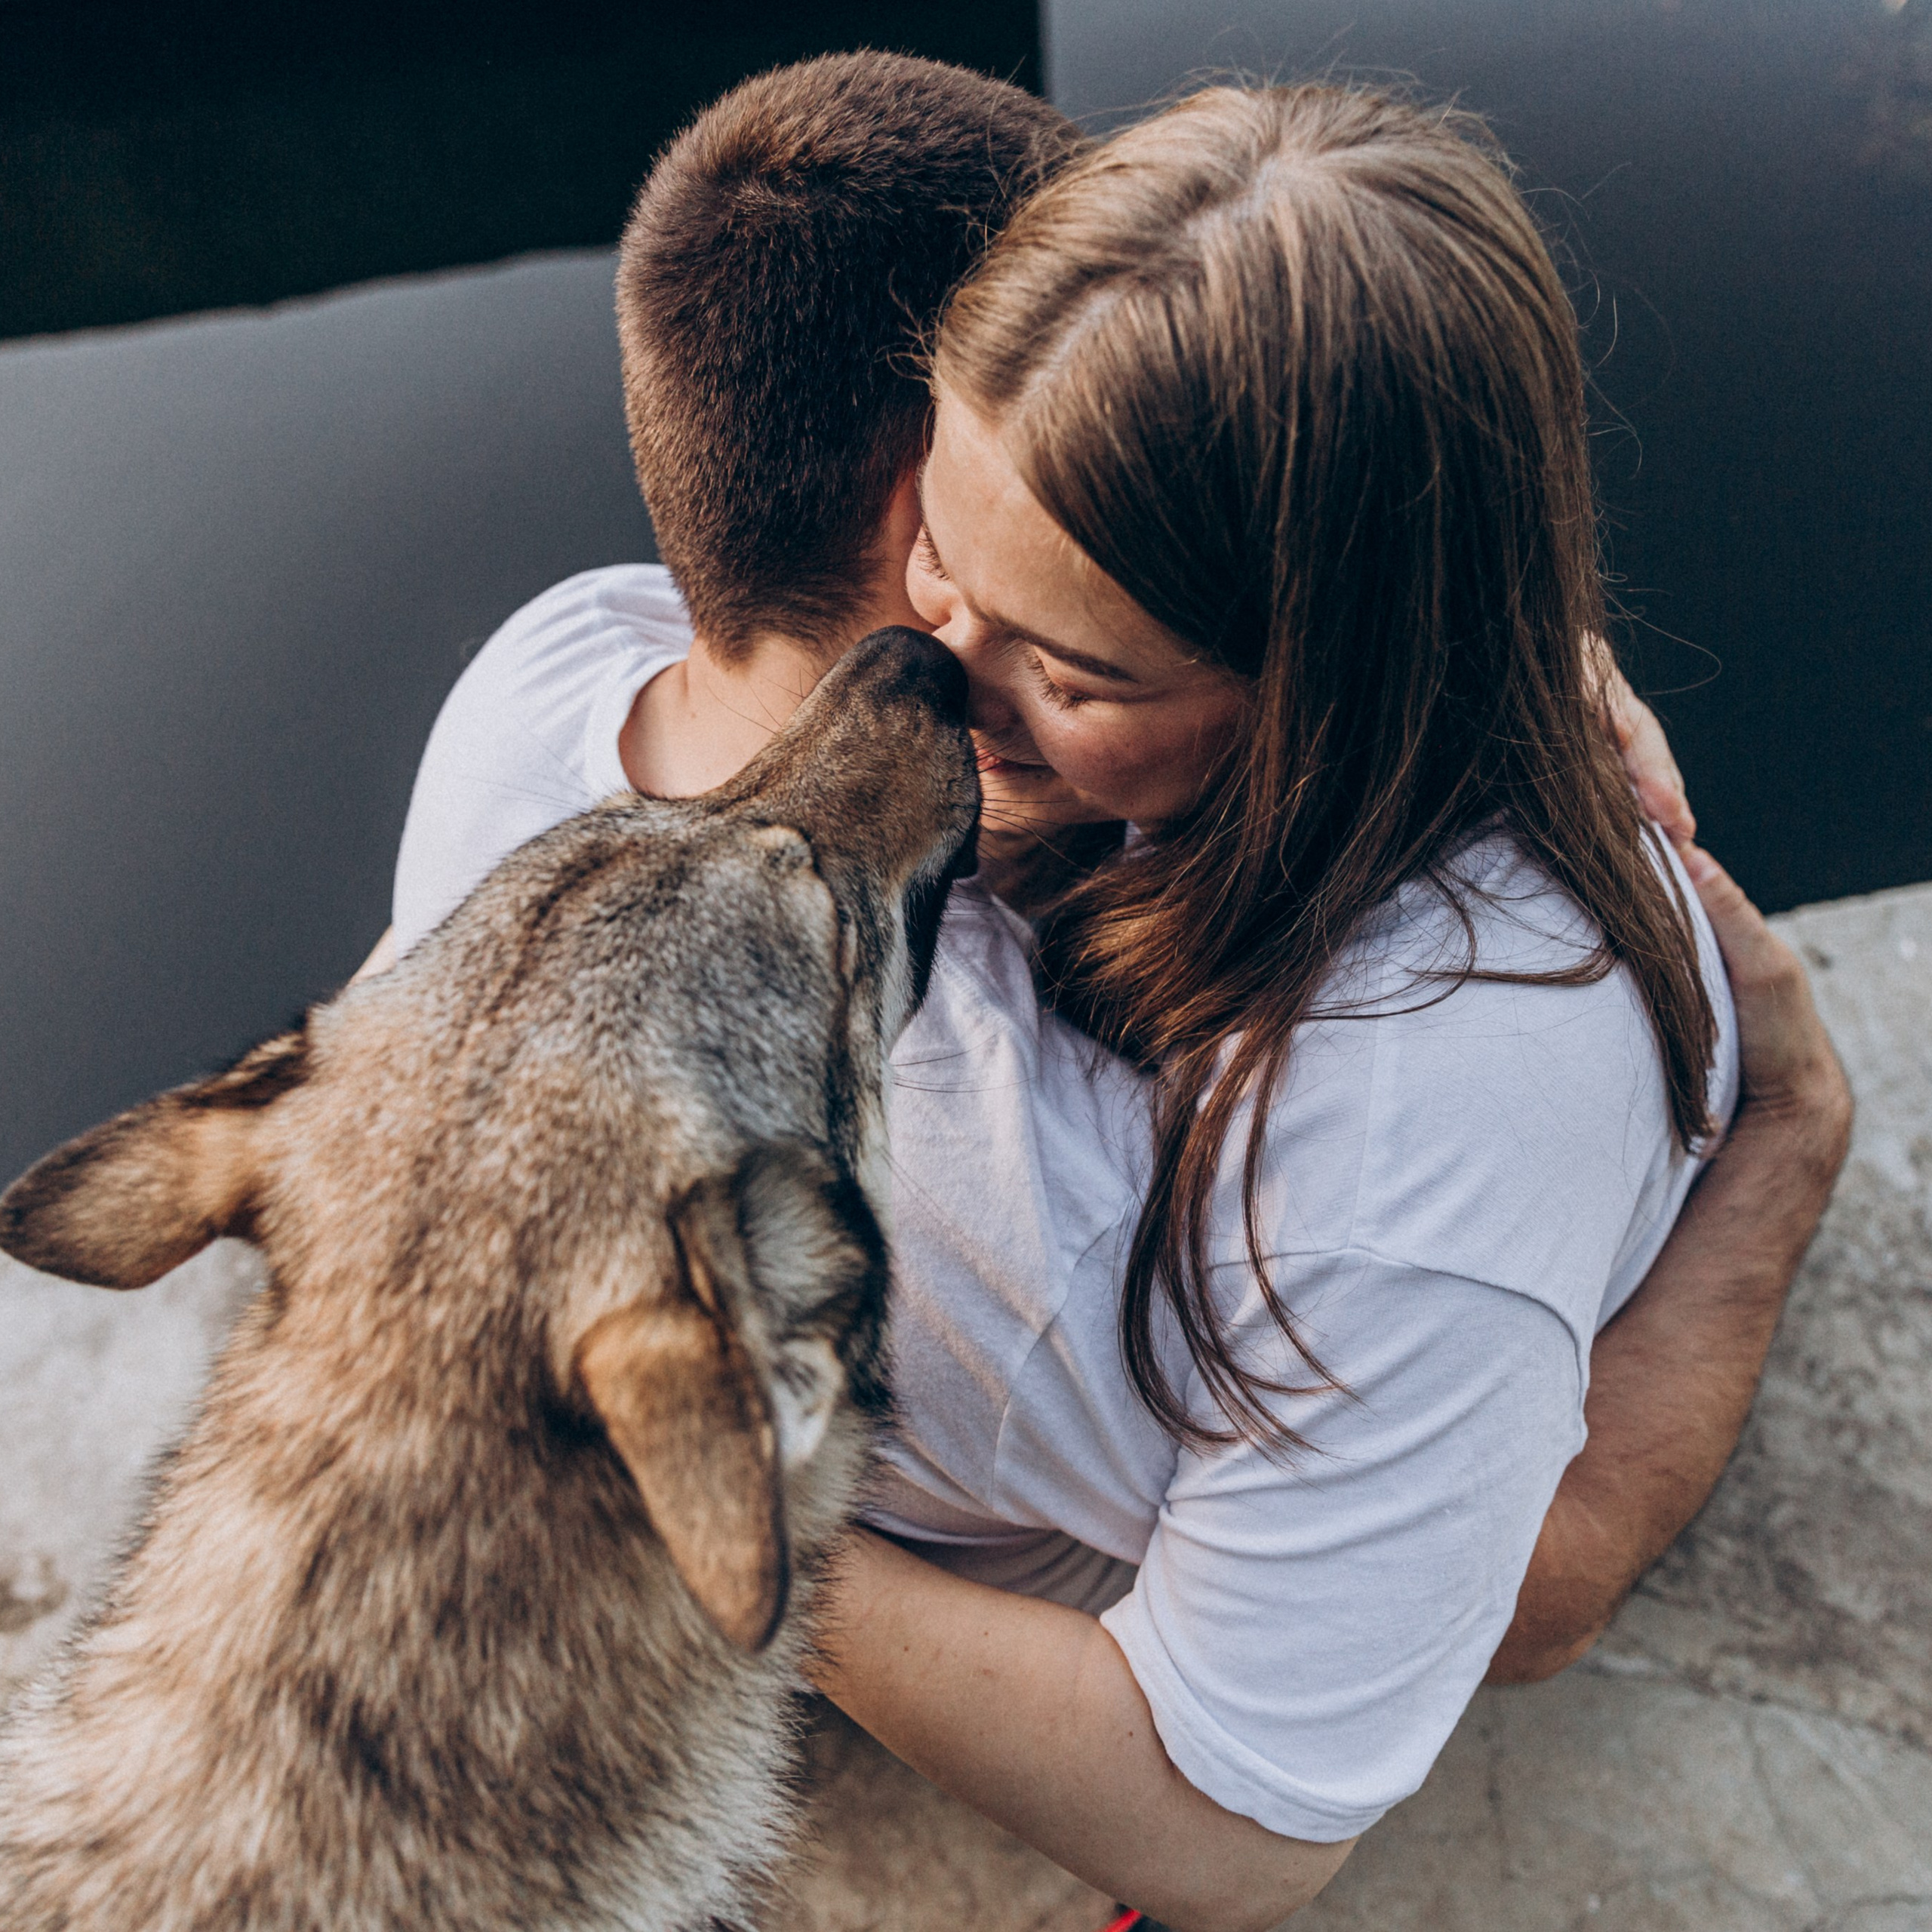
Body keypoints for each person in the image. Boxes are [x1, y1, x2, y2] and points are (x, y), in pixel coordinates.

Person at [372, 58, 1850, 1930]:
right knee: (1491, 1582)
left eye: (1067, 660)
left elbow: (1246, 1802)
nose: (944, 694)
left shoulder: (547, 668)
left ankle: (1782, 1134)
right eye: (945, 564)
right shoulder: (1098, 1139)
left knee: (1492, 1557)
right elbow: (1243, 1792)